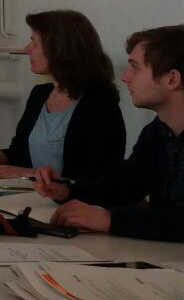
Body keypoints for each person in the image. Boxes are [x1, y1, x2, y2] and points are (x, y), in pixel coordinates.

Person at [34, 24, 184, 242]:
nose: (125, 77)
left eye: (135, 68)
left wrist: (110, 220)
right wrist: (67, 190)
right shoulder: (158, 131)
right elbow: (125, 185)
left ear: (172, 79)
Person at [0, 10, 125, 180]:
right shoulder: (40, 94)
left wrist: (25, 173)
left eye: (35, 43)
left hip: (73, 202)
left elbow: (101, 177)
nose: (27, 49)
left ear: (60, 49)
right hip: (32, 197)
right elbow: (17, 153)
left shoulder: (99, 103)